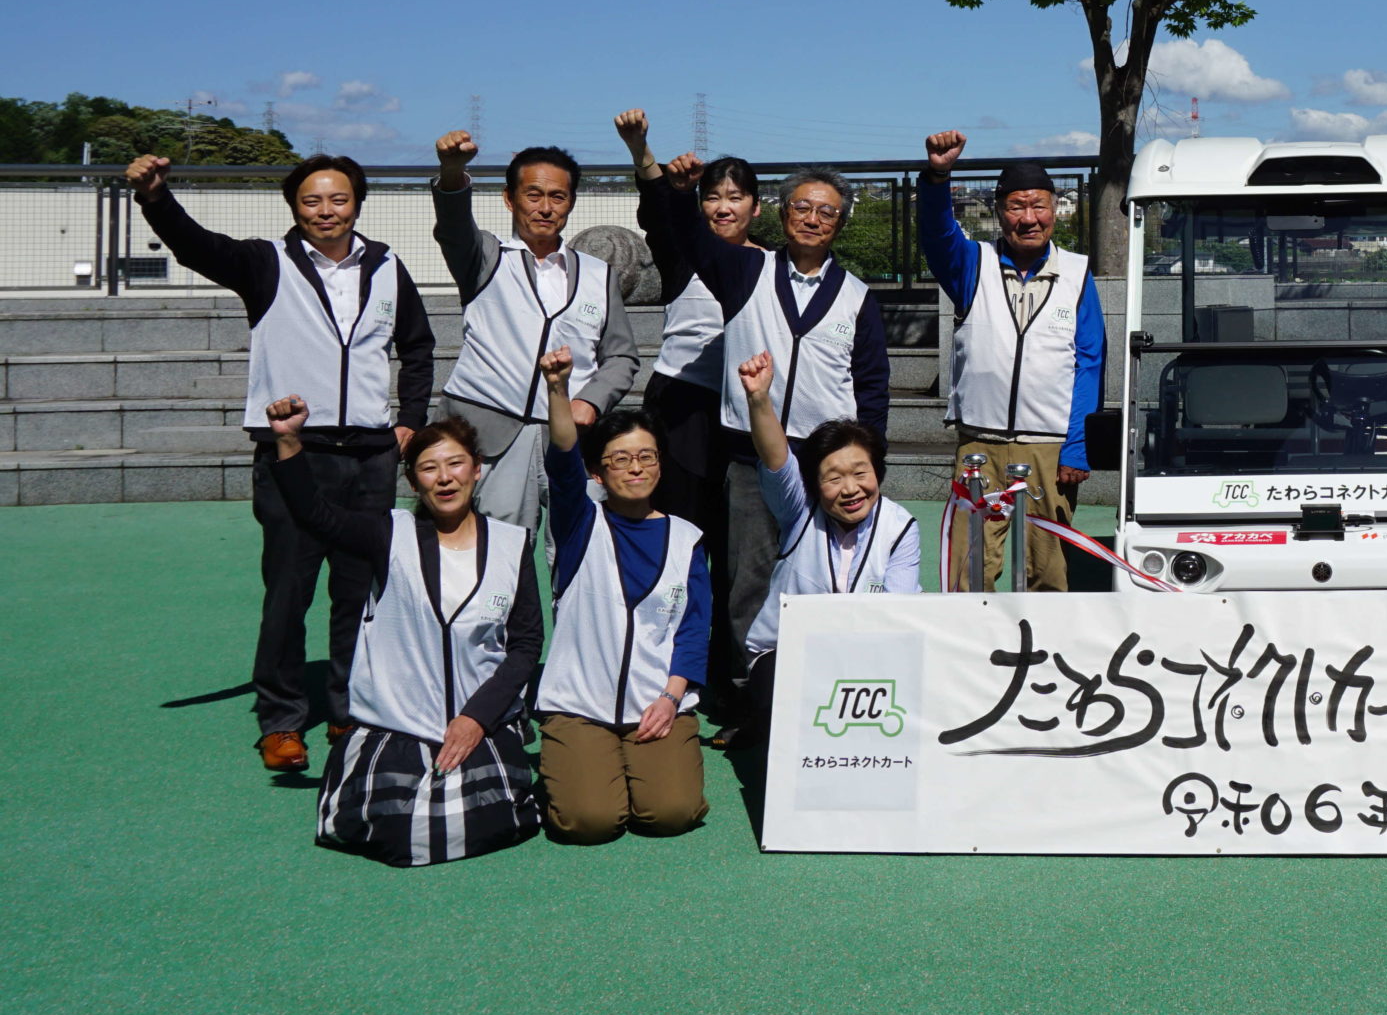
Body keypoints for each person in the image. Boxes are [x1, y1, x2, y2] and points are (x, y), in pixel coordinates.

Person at [129, 152, 435, 774]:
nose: (327, 212)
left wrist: (411, 419)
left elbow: (418, 346)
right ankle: (282, 719)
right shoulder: (265, 262)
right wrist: (156, 197)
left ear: (358, 203)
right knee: (289, 592)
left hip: (372, 455)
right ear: (294, 207)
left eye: (339, 200)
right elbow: (194, 247)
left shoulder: (386, 265)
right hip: (294, 453)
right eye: (312, 201)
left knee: (360, 594)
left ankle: (350, 707)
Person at [629, 111, 889, 733]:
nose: (813, 218)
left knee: (824, 576)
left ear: (840, 222)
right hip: (750, 452)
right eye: (802, 206)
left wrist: (869, 459)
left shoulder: (857, 295)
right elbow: (688, 237)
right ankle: (751, 701)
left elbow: (872, 385)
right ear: (780, 213)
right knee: (748, 577)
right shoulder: (744, 270)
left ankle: (822, 692)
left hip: (825, 459)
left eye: (827, 211)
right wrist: (679, 188)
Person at [265, 395, 542, 867]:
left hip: (479, 720)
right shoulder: (387, 534)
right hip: (398, 722)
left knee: (492, 818)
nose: (444, 477)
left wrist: (477, 717)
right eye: (429, 468)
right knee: (384, 827)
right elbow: (316, 514)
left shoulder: (512, 545)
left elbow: (526, 645)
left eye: (456, 463)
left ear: (477, 469)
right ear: (413, 479)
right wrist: (290, 441)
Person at [527, 347, 711, 845]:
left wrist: (672, 699)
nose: (635, 468)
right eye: (621, 459)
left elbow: (693, 630)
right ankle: (580, 763)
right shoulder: (580, 524)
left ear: (660, 465)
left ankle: (635, 762)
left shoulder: (686, 539)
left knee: (672, 813)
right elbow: (563, 459)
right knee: (590, 822)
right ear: (599, 472)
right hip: (579, 704)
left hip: (656, 704)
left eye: (646, 456)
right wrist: (559, 389)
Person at [916, 132, 1104, 591]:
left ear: (1055, 209)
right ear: (1000, 211)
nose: (1029, 219)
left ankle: (1043, 658)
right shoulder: (972, 263)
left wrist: (1077, 445)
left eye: (1039, 206)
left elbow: (1090, 362)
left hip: (1049, 448)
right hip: (980, 444)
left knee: (1048, 571)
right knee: (967, 570)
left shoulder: (1077, 273)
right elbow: (936, 235)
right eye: (1016, 207)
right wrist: (939, 176)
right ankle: (970, 658)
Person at [430, 132, 640, 539]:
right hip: (492, 433)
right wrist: (452, 171)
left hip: (570, 438)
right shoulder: (485, 257)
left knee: (577, 550)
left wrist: (591, 402)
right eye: (533, 194)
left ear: (572, 202)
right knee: (502, 552)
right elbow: (454, 225)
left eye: (558, 197)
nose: (545, 207)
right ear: (510, 199)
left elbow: (622, 357)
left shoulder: (598, 274)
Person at [735, 350, 920, 758]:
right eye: (834, 478)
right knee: (780, 717)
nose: (850, 488)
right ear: (816, 485)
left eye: (860, 473)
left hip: (870, 652)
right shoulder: (800, 511)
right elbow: (777, 460)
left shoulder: (900, 525)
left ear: (878, 473)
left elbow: (899, 610)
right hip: (785, 650)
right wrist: (759, 400)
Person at [620, 112, 763, 533]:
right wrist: (640, 149)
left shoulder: (770, 262)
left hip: (743, 408)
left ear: (755, 208)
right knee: (680, 525)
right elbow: (660, 209)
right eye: (712, 197)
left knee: (733, 535)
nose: (723, 208)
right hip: (680, 403)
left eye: (735, 197)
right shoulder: (682, 253)